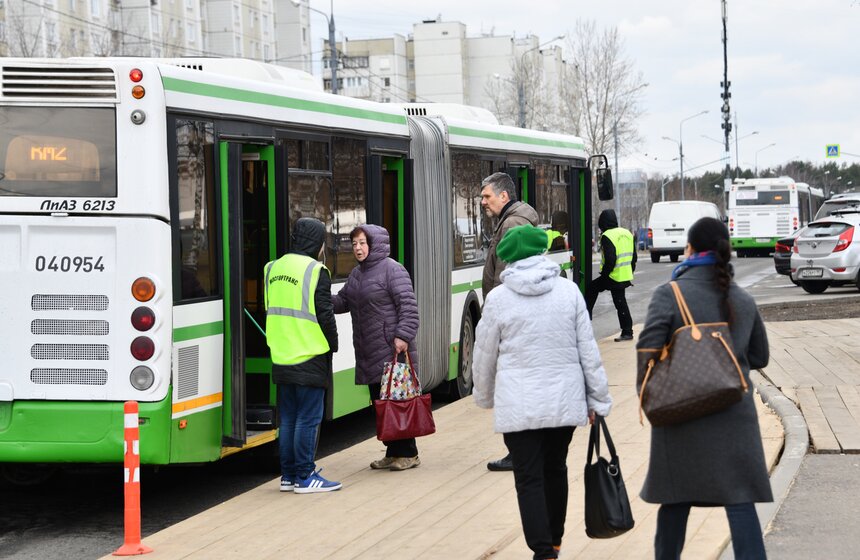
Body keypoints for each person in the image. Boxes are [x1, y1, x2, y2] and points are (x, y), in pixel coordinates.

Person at [472, 224, 612, 560]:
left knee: (528, 477)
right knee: (556, 468)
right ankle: (556, 540)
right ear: (541, 252)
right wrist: (598, 400)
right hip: (563, 403)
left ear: (508, 260)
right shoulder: (569, 292)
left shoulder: (497, 299)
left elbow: (484, 354)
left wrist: (485, 395)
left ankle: (543, 551)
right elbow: (587, 352)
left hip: (518, 406)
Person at [636, 217, 773, 559]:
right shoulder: (741, 298)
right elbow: (760, 356)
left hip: (681, 414)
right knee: (740, 502)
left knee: (675, 500)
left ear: (691, 248)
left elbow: (648, 351)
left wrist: (650, 394)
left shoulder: (670, 294)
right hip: (734, 416)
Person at [333, 224, 421, 471]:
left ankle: (409, 453)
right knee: (381, 403)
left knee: (397, 401)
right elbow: (343, 301)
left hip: (391, 349)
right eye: (354, 244)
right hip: (369, 350)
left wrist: (402, 336)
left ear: (375, 243)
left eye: (362, 243)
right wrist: (320, 299)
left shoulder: (393, 270)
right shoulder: (357, 274)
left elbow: (409, 308)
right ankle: (393, 452)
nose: (358, 248)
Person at [264, 218, 341, 494]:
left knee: (288, 418)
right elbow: (325, 315)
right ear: (316, 242)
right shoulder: (315, 270)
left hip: (281, 352)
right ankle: (306, 476)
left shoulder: (272, 268)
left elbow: (271, 308)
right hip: (309, 352)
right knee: (308, 418)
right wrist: (333, 344)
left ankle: (288, 476)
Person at [479, 171, 539, 472]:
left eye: (487, 196)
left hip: (511, 324)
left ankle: (518, 453)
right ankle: (521, 450)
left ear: (504, 196)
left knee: (511, 389)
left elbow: (506, 278)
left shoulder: (512, 223)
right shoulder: (512, 220)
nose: (483, 203)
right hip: (517, 323)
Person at [585, 209, 636, 342]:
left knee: (591, 288)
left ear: (603, 222)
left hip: (613, 276)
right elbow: (634, 257)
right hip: (624, 274)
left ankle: (585, 318)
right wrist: (629, 271)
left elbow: (610, 259)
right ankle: (627, 331)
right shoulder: (627, 233)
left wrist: (605, 274)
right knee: (620, 301)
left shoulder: (607, 235)